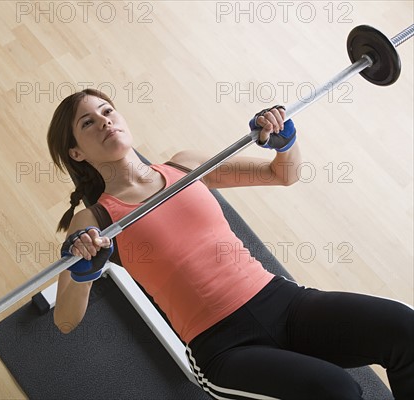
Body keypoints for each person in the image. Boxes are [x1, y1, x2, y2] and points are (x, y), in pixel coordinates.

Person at [46, 88, 413, 399]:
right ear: (77, 153)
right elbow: (65, 320)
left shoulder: (185, 165)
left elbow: (281, 174)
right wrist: (82, 275)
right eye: (88, 122)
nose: (105, 121)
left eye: (107, 111)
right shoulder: (95, 222)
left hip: (283, 302)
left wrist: (285, 143)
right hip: (224, 345)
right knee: (337, 392)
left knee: (404, 327)